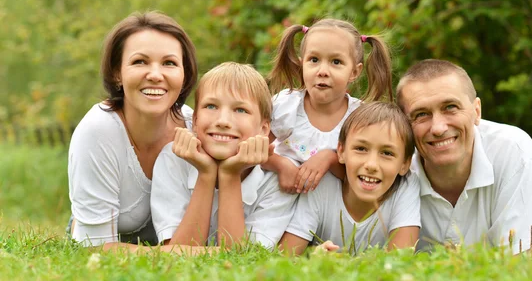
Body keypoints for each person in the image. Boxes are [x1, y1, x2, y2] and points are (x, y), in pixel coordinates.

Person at [395, 59, 532, 255]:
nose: (438, 128)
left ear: (476, 111)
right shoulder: (393, 166)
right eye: (421, 114)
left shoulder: (514, 151)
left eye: (450, 107)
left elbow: (521, 266)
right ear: (404, 125)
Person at [67, 11, 198, 250]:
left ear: (184, 74)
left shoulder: (196, 127)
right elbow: (94, 246)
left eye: (169, 63)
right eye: (140, 61)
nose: (156, 75)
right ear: (118, 73)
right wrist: (177, 255)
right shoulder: (97, 131)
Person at [151, 62, 298, 249]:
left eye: (240, 110)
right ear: (195, 121)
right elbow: (178, 252)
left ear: (263, 129)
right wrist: (206, 174)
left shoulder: (276, 182)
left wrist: (230, 174)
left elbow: (239, 260)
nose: (223, 121)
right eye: (211, 106)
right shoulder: (173, 159)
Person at [265, 18, 394, 195]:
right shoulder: (287, 106)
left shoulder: (361, 118)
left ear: (354, 72)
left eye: (336, 62)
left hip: (328, 212)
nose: (323, 71)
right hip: (275, 206)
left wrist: (330, 159)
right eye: (314, 59)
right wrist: (280, 165)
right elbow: (252, 151)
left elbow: (357, 176)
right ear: (302, 64)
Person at [279, 102, 421, 256]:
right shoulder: (322, 184)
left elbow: (400, 260)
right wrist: (314, 258)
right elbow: (285, 257)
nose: (371, 165)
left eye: (387, 153)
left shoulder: (406, 186)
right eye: (361, 149)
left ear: (405, 164)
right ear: (341, 151)